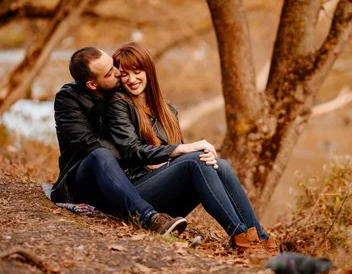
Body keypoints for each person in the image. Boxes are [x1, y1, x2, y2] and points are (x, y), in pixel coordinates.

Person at [106, 41, 277, 255]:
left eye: (137, 71)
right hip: (136, 195)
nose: (131, 79)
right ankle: (241, 237)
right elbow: (132, 150)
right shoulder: (118, 103)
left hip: (164, 198)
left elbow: (175, 161)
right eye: (123, 74)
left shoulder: (168, 110)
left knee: (219, 165)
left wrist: (172, 159)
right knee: (196, 159)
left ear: (148, 70)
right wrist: (176, 151)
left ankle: (260, 237)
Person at [51, 46, 187, 235]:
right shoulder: (68, 99)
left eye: (113, 65)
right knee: (100, 154)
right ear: (92, 84)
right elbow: (87, 143)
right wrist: (143, 157)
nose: (118, 72)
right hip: (82, 179)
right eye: (110, 72)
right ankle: (150, 218)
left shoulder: (120, 91)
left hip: (123, 177)